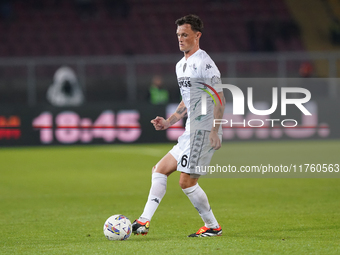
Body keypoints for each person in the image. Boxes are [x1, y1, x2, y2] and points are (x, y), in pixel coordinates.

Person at [132, 14, 225, 237]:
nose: (180, 39)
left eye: (185, 35)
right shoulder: (180, 65)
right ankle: (144, 221)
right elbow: (188, 99)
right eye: (178, 35)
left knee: (186, 182)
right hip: (190, 131)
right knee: (159, 170)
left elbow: (219, 98)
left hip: (203, 130)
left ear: (197, 35)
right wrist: (169, 121)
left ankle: (212, 226)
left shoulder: (205, 62)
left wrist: (214, 130)